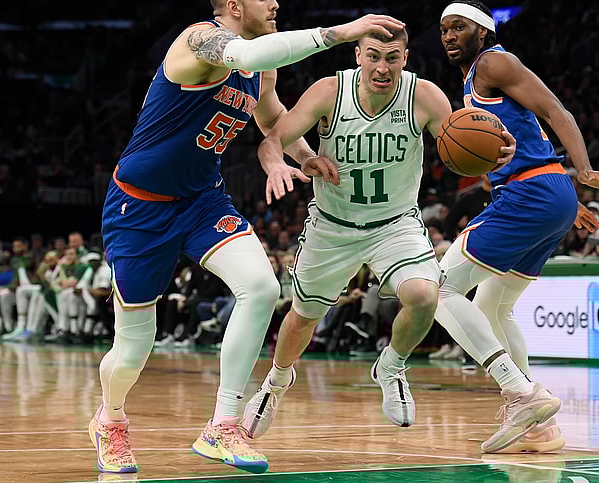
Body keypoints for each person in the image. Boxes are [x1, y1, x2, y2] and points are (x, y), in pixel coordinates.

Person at [88, 0, 404, 474]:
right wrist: (342, 32)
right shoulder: (197, 41)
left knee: (261, 287)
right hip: (141, 205)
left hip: (202, 201)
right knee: (134, 347)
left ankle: (224, 422)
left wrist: (294, 157)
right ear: (234, 6)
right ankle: (110, 420)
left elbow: (272, 120)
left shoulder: (262, 63)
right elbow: (249, 58)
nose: (276, 3)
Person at [238, 25, 498, 438]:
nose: (382, 66)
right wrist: (285, 164)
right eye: (373, 55)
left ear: (405, 59)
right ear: (357, 55)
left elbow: (460, 147)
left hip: (394, 224)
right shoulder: (328, 91)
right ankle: (276, 382)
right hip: (333, 226)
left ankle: (391, 366)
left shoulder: (424, 96)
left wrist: (495, 153)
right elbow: (272, 142)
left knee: (425, 295)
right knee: (303, 319)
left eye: (392, 58)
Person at [434, 0, 599, 453]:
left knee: (437, 288)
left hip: (535, 191)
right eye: (443, 30)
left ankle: (522, 394)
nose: (449, 36)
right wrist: (563, 198)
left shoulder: (495, 61)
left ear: (482, 30)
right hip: (543, 193)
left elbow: (557, 111)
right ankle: (539, 428)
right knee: (495, 308)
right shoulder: (474, 77)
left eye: (459, 27)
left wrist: (584, 170)